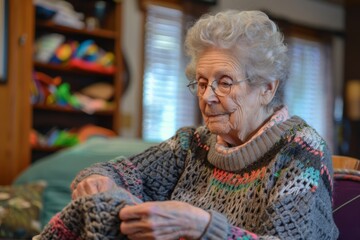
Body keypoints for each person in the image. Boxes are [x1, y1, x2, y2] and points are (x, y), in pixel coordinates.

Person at [38, 10, 339, 240]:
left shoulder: (301, 152)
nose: (207, 97)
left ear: (267, 89)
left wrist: (204, 227)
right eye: (202, 82)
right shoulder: (192, 143)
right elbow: (121, 171)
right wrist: (99, 180)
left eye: (224, 83)